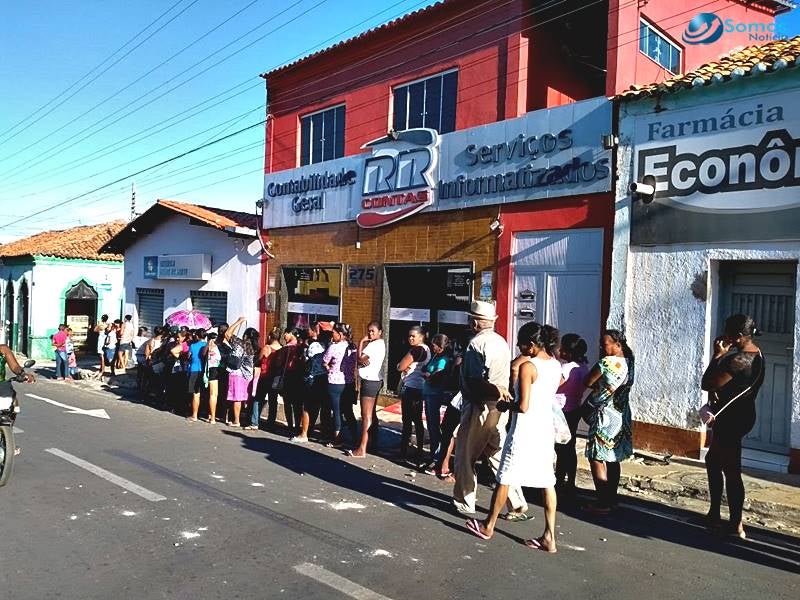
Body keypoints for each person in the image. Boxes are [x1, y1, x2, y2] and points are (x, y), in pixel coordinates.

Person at [466, 322, 563, 553]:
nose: (519, 348)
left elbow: (523, 405)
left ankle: (488, 525)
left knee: (505, 476)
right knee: (547, 482)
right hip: (544, 430)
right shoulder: (556, 366)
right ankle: (549, 535)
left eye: (521, 344)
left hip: (524, 430)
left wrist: (504, 404)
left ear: (531, 344)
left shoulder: (529, 366)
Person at [452, 300, 527, 518]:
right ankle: (516, 502)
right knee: (496, 454)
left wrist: (493, 390)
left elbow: (475, 380)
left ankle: (465, 501)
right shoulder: (501, 342)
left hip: (479, 405)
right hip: (498, 407)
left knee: (466, 455)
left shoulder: (476, 345)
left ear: (475, 323)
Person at [701, 314, 764, 540]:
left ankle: (735, 523)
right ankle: (714, 514)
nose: (724, 335)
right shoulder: (757, 353)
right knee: (713, 461)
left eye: (728, 332)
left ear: (738, 336)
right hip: (743, 414)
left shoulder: (739, 360)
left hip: (732, 418)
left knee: (731, 470)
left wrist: (718, 356)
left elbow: (707, 382)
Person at [583, 329, 635, 515]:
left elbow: (587, 381)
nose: (601, 347)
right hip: (622, 414)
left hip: (605, 414)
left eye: (604, 343)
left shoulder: (606, 363)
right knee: (613, 456)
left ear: (617, 344)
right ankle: (612, 498)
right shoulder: (630, 362)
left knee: (597, 457)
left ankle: (602, 501)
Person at [554, 333, 589, 496]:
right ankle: (571, 481)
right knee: (570, 446)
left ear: (568, 352)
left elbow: (555, 385)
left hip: (561, 411)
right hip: (575, 408)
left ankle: (559, 480)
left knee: (560, 448)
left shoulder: (565, 368)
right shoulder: (583, 367)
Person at [350, 321, 385, 457]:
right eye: (369, 331)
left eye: (373, 331)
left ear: (380, 332)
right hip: (375, 380)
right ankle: (372, 443)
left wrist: (361, 342)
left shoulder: (374, 345)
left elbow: (359, 359)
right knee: (372, 414)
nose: (370, 333)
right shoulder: (380, 344)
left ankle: (362, 448)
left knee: (366, 416)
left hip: (370, 381)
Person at [292, 324, 331, 443]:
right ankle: (322, 434)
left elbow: (306, 360)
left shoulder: (314, 346)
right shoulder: (329, 346)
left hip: (312, 378)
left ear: (316, 331)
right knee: (321, 408)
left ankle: (304, 433)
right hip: (324, 379)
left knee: (308, 407)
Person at [396, 325, 430, 461]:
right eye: (409, 336)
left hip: (411, 387)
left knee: (407, 421)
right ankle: (419, 449)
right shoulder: (427, 349)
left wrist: (401, 365)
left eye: (413, 336)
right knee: (417, 420)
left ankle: (403, 451)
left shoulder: (417, 350)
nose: (410, 338)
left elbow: (400, 367)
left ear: (421, 337)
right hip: (420, 387)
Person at [422, 333, 453, 466]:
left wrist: (427, 375)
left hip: (435, 394)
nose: (432, 346)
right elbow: (426, 369)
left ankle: (436, 456)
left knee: (434, 426)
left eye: (434, 344)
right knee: (430, 425)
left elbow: (435, 377)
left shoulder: (443, 360)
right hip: (428, 393)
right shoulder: (435, 356)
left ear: (440, 346)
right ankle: (433, 453)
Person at [223, 318, 259, 427]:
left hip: (237, 374)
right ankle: (244, 419)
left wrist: (238, 321)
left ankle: (236, 421)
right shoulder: (254, 348)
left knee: (237, 398)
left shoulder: (240, 344)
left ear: (246, 336)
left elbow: (228, 333)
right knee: (243, 398)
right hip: (248, 376)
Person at [322, 323, 353, 447]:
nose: (332, 335)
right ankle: (355, 436)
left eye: (333, 333)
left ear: (340, 335)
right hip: (348, 382)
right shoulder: (352, 347)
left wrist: (329, 368)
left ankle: (337, 439)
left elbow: (324, 361)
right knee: (348, 410)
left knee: (336, 411)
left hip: (334, 382)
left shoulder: (333, 347)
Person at [248, 327, 283, 431]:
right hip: (275, 378)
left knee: (258, 399)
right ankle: (271, 423)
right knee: (273, 401)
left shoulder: (267, 348)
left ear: (270, 336)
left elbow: (259, 360)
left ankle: (254, 422)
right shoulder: (282, 349)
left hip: (264, 376)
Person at [186, 329, 208, 422]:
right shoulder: (208, 345)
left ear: (198, 336)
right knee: (207, 394)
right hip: (205, 371)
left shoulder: (192, 345)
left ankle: (194, 415)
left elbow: (189, 357)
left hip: (194, 370)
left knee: (196, 394)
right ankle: (208, 414)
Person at [204, 332, 222, 423]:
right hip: (215, 370)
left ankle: (209, 415)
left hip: (209, 370)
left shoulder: (207, 347)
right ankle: (213, 418)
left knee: (210, 394)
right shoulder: (216, 347)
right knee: (213, 395)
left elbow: (203, 355)